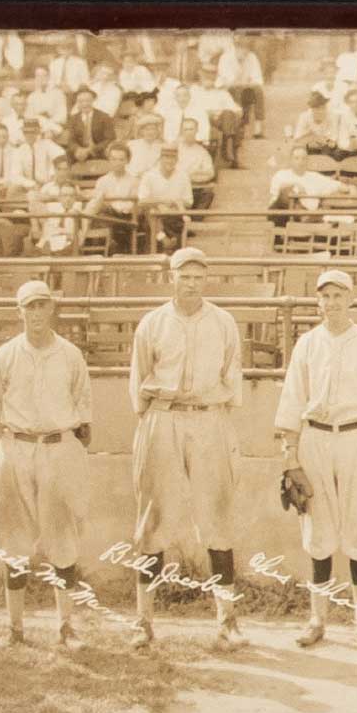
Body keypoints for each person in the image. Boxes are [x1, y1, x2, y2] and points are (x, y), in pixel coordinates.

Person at [127, 250, 252, 651]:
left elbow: (232, 375)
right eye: (185, 276)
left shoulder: (223, 322)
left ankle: (227, 620)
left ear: (206, 279)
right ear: (172, 278)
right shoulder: (153, 322)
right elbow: (139, 379)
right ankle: (144, 621)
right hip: (163, 416)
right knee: (153, 519)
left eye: (199, 276)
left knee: (217, 517)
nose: (192, 283)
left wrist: (213, 412)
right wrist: (153, 418)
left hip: (209, 418)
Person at [277, 269, 357, 650]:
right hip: (315, 437)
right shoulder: (307, 343)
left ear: (351, 299)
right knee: (318, 532)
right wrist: (290, 455)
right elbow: (292, 398)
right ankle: (317, 620)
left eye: (338, 295)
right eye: (325, 296)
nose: (332, 303)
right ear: (318, 301)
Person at [0, 279, 99, 649]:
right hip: (16, 447)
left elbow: (83, 414)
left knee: (63, 540)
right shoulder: (4, 356)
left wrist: (63, 445)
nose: (35, 313)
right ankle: (15, 629)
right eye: (28, 306)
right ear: (19, 311)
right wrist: (17, 440)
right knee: (13, 541)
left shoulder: (70, 355)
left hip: (59, 446)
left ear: (51, 308)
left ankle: (66, 627)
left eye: (41, 305)